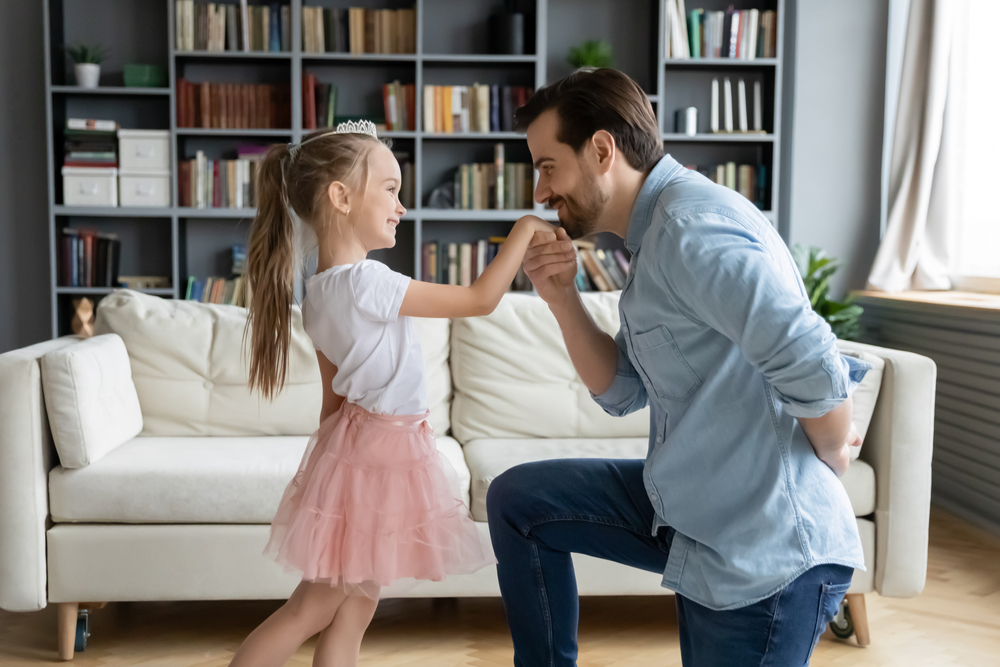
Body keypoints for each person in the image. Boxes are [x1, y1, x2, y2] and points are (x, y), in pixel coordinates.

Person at [486, 68, 870, 666]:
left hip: (761, 553)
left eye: (546, 165)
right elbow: (622, 390)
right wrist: (561, 297)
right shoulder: (655, 240)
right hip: (694, 507)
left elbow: (807, 353)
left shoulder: (690, 229)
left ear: (602, 149)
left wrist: (833, 446)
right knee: (520, 501)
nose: (540, 192)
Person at [230, 121, 567, 667]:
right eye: (389, 188)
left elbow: (332, 401)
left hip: (361, 450)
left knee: (353, 610)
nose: (401, 205)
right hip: (382, 454)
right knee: (312, 609)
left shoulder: (317, 294)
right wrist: (525, 228)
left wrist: (329, 475)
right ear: (340, 196)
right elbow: (480, 299)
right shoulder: (368, 281)